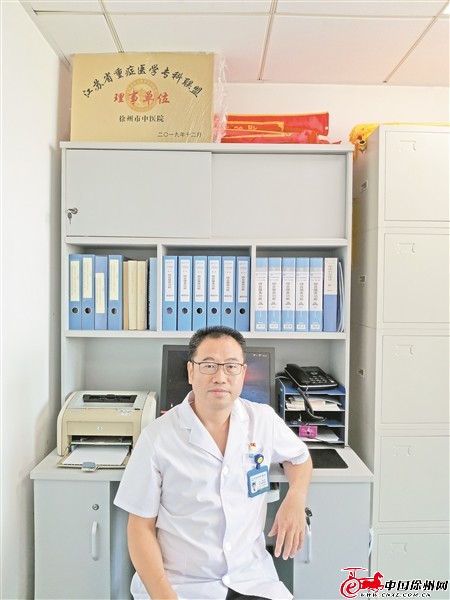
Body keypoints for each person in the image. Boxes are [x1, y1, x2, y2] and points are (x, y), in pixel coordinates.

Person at [114, 326, 312, 600]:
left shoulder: (262, 420)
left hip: (250, 579)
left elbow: (299, 458)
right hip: (180, 586)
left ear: (242, 373)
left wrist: (296, 498)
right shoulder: (157, 438)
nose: (220, 377)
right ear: (191, 372)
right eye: (208, 365)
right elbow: (139, 528)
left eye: (231, 366)